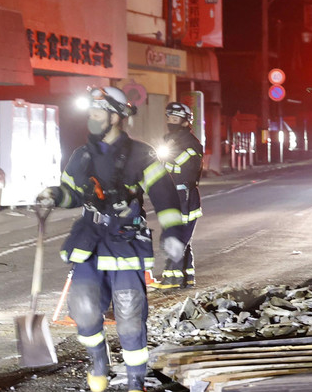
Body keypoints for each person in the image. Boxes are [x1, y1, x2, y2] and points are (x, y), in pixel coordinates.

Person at [37, 86, 187, 392]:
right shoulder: (81, 156)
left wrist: (173, 234)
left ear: (116, 117)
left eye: (97, 112)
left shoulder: (141, 155)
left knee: (131, 315)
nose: (91, 118)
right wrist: (54, 195)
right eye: (90, 112)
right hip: (89, 241)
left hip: (126, 243)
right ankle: (99, 363)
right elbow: (73, 194)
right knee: (83, 309)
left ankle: (135, 383)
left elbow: (165, 198)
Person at [152, 101, 203, 289]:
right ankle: (186, 278)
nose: (171, 122)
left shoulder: (191, 143)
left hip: (185, 196)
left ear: (185, 122)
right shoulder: (168, 140)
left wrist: (164, 162)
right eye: (170, 118)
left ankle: (171, 279)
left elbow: (184, 170)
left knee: (176, 237)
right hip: (173, 195)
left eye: (176, 119)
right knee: (182, 238)